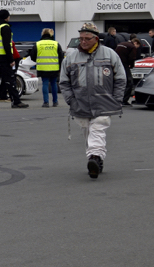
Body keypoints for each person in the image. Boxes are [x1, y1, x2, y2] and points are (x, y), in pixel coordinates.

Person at [60, 22, 127, 179]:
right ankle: (97, 160)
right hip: (80, 104)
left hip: (104, 103)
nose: (83, 42)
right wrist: (71, 100)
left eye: (87, 39)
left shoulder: (110, 55)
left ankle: (94, 158)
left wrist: (116, 99)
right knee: (88, 132)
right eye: (81, 38)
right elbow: (64, 82)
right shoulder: (70, 58)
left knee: (97, 129)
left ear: (96, 39)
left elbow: (120, 78)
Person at [0, 9, 28, 109]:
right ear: (6, 17)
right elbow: (7, 45)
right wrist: (11, 59)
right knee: (10, 79)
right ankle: (16, 101)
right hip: (3, 58)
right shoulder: (5, 27)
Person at [29, 28, 64, 108]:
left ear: (43, 34)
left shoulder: (38, 44)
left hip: (42, 67)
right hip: (54, 67)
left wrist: (38, 60)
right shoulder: (56, 44)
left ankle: (46, 102)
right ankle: (55, 102)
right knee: (54, 84)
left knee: (45, 83)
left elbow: (32, 56)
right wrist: (60, 67)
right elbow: (61, 56)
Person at [115, 34, 139, 106]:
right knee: (129, 83)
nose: (137, 48)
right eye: (138, 46)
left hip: (116, 64)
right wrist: (131, 65)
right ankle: (124, 100)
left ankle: (116, 99)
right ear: (136, 43)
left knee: (117, 82)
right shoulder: (132, 47)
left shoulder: (121, 44)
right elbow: (132, 58)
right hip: (124, 65)